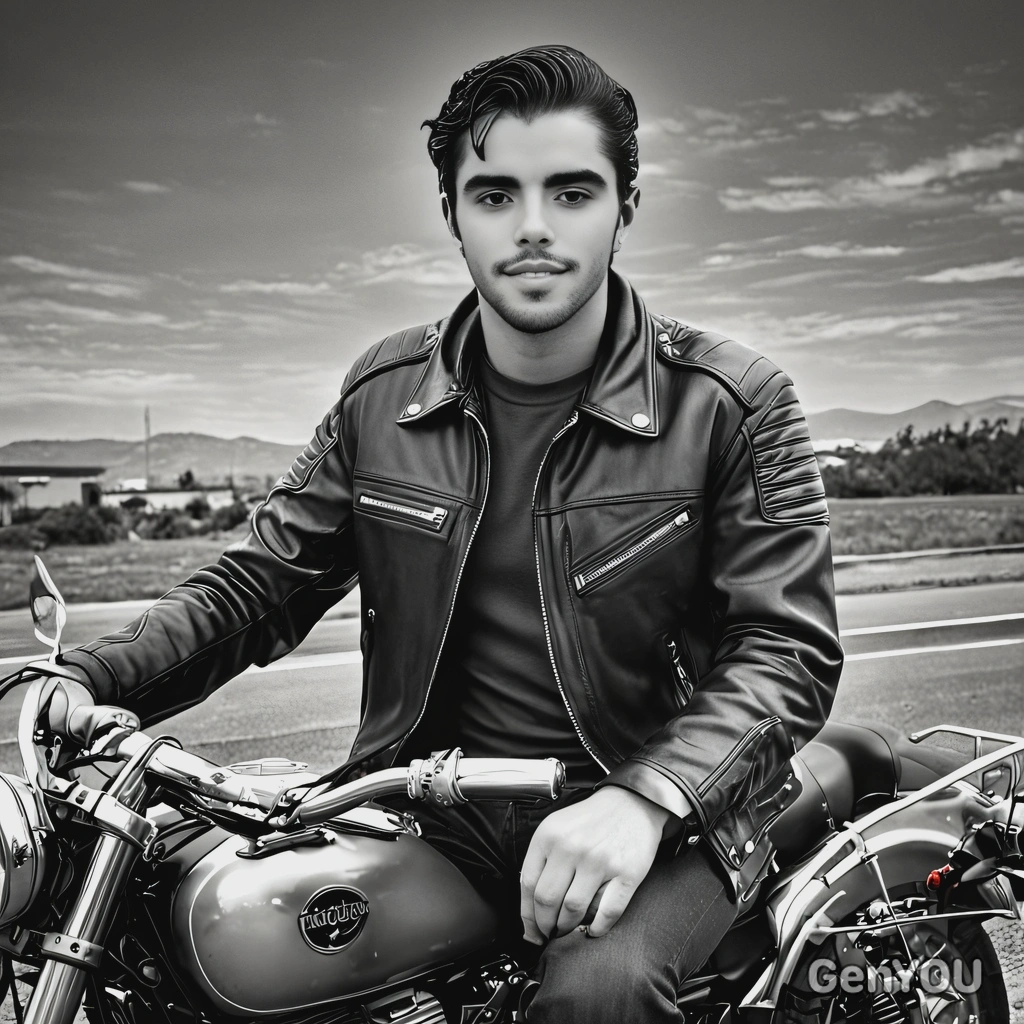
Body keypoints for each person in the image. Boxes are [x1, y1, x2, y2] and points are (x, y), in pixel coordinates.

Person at [45, 45, 844, 1022]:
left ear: (625, 207)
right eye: (496, 195)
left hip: (667, 814)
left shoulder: (732, 400)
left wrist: (645, 798)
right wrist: (87, 676)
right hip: (430, 807)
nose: (534, 226)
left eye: (573, 192)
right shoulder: (384, 394)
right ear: (453, 213)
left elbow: (787, 648)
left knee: (597, 995)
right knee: (210, 932)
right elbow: (260, 583)